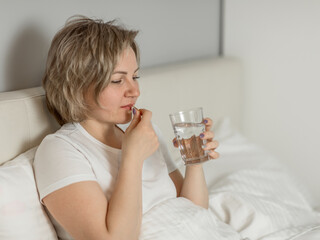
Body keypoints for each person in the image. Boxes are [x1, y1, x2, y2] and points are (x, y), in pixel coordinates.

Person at [33, 15, 219, 240]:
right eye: (117, 80)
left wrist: (194, 161)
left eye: (135, 76)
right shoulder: (59, 150)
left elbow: (193, 213)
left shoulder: (144, 132)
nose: (135, 91)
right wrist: (132, 157)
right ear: (76, 85)